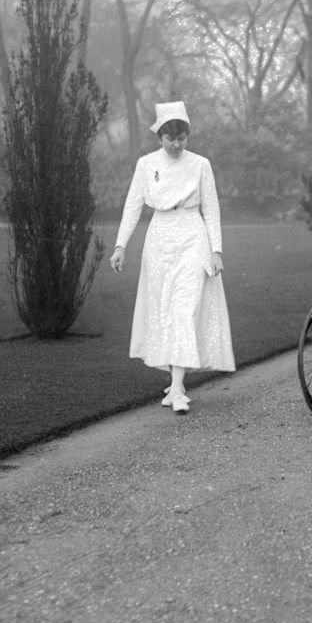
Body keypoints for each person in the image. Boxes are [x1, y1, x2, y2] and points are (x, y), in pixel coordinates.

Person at [110, 101, 236, 414]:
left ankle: (178, 389)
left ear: (187, 136)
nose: (176, 144)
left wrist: (216, 250)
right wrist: (120, 245)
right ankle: (175, 379)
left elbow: (212, 208)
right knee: (164, 309)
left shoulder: (201, 164)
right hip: (159, 237)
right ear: (160, 137)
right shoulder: (145, 164)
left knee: (184, 307)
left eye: (181, 138)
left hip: (193, 236)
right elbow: (132, 206)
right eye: (171, 138)